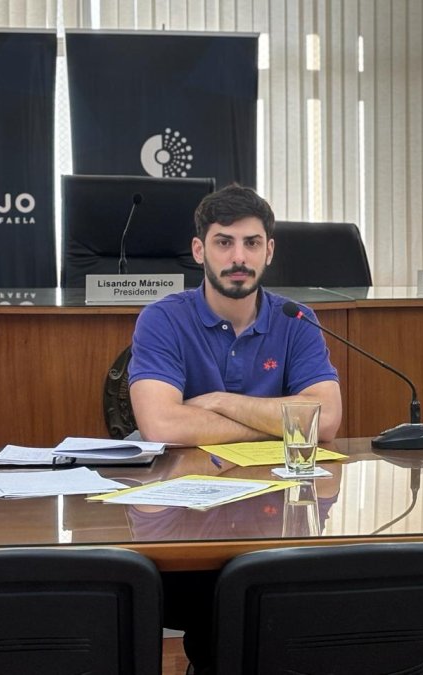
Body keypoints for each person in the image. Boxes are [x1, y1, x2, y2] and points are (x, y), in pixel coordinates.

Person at [128, 184, 342, 675]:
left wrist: (220, 401)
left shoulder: (296, 319)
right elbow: (161, 423)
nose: (239, 257)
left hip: (275, 520)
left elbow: (326, 421)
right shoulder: (162, 319)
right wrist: (279, 423)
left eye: (251, 243)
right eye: (224, 242)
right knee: (217, 612)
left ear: (269, 250)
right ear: (199, 249)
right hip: (184, 526)